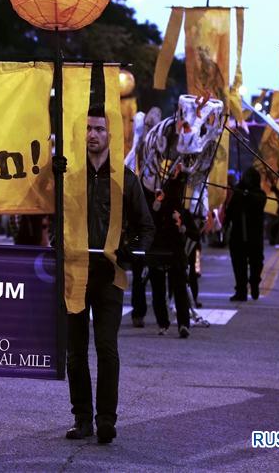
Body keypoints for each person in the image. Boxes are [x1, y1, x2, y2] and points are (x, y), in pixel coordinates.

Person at [66, 104, 155, 445]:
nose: (93, 135)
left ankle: (106, 419)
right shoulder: (70, 176)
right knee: (75, 351)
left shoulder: (124, 179)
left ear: (110, 135)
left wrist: (132, 251)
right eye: (88, 128)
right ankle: (82, 418)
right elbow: (54, 214)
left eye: (100, 129)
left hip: (110, 277)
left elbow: (147, 226)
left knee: (106, 347)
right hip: (75, 273)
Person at [146, 167, 200, 338]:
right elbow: (148, 224)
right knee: (161, 289)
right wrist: (156, 207)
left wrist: (182, 226)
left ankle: (181, 324)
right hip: (159, 252)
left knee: (178, 289)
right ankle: (165, 322)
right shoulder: (158, 208)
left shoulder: (182, 213)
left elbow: (195, 234)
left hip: (173, 253)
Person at [225, 168, 266, 301]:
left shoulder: (260, 194)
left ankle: (254, 283)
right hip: (237, 236)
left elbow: (257, 203)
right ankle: (241, 291)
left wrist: (246, 194)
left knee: (256, 263)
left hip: (254, 236)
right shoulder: (238, 192)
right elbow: (230, 211)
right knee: (238, 265)